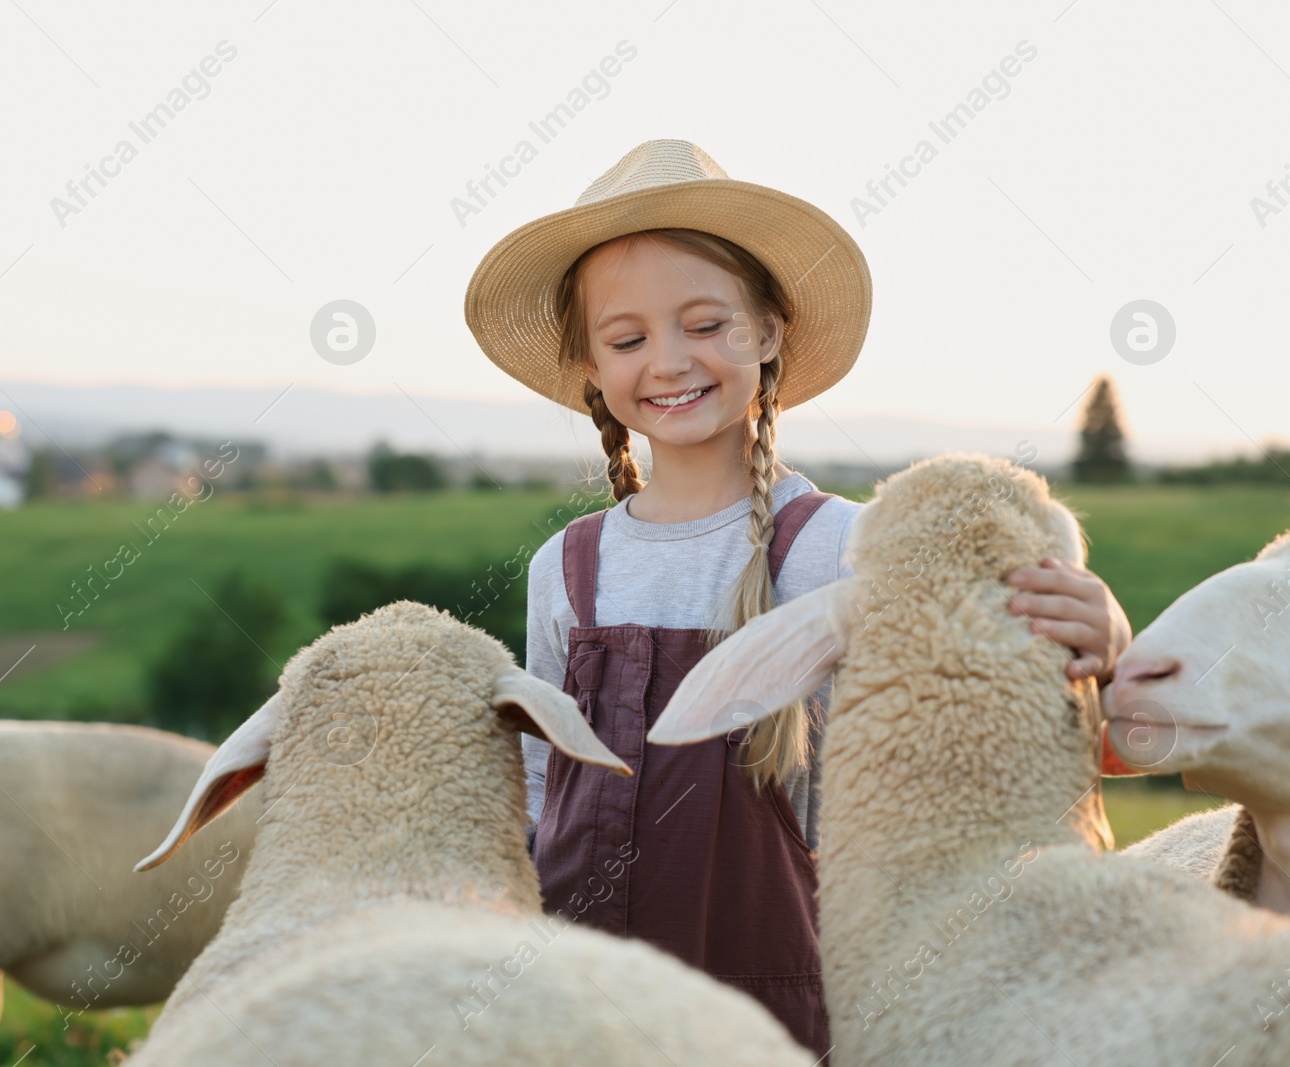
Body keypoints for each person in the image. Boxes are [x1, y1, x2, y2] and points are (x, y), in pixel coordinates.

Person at [463, 139, 1131, 1057]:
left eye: (707, 324)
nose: (669, 361)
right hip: (578, 998)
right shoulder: (566, 565)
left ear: (770, 331)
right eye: (628, 338)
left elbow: (1012, 734)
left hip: (785, 997)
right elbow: (537, 789)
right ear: (591, 366)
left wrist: (1103, 642)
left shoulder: (844, 548)